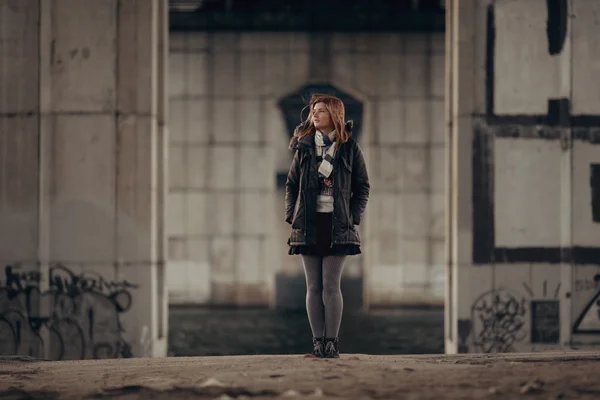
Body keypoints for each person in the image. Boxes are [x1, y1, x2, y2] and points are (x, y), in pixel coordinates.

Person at [285, 94, 370, 358]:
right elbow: (291, 183)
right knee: (313, 287)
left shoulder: (349, 148)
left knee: (331, 286)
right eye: (313, 111)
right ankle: (317, 342)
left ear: (334, 115)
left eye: (321, 111)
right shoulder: (304, 148)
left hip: (338, 226)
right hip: (309, 225)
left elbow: (363, 186)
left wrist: (354, 217)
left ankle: (332, 342)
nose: (315, 115)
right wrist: (291, 214)